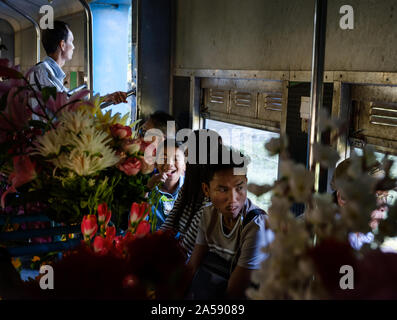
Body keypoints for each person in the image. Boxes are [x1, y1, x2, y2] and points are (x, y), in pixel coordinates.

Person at [186, 145, 273, 299]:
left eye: (239, 187)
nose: (233, 200)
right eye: (222, 189)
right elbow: (193, 266)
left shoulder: (255, 226)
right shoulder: (208, 214)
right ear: (206, 190)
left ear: (246, 182)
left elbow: (235, 291)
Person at [29, 20, 126, 104]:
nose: (73, 47)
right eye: (71, 41)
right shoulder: (42, 71)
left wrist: (106, 98)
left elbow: (68, 99)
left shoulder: (51, 73)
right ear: (62, 45)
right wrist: (104, 99)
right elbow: (65, 105)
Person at [160, 129, 222, 257]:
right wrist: (152, 243)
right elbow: (170, 221)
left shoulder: (210, 202)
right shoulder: (189, 187)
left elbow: (185, 249)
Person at [331, 158, 389, 250]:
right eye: (377, 195)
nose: (384, 207)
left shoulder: (367, 236)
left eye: (385, 196)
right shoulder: (316, 239)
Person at [146, 139, 186, 230]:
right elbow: (135, 223)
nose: (169, 164)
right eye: (163, 158)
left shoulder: (189, 190)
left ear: (184, 164)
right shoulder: (147, 187)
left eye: (176, 159)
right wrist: (147, 189)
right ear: (156, 163)